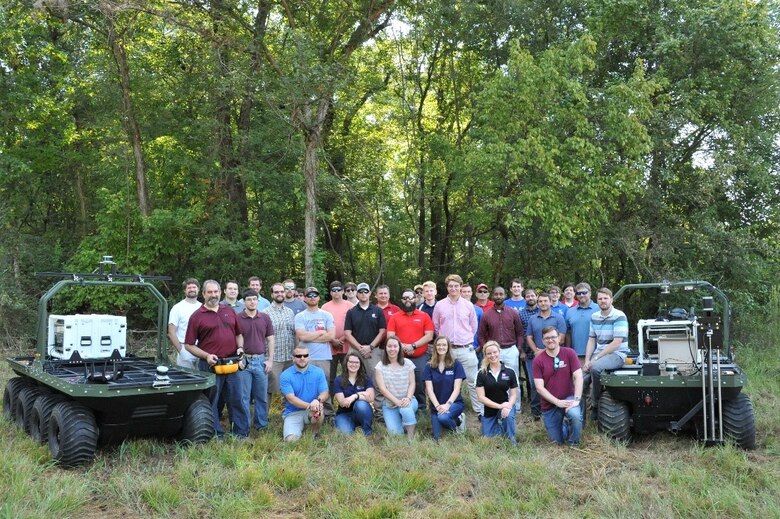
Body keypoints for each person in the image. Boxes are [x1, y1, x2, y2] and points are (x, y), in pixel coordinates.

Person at [184, 280, 248, 439]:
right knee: (211, 401)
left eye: (216, 292)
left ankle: (240, 433)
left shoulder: (230, 311)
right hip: (210, 365)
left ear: (220, 292)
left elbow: (239, 334)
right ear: (203, 294)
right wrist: (206, 356)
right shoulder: (197, 316)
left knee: (237, 399)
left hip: (232, 364)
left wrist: (240, 348)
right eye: (210, 292)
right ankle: (215, 434)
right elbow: (189, 345)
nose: (213, 295)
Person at [432, 274, 482, 415]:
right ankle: (449, 408)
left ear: (460, 287)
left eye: (456, 286)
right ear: (447, 287)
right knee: (448, 381)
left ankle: (479, 411)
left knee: (473, 381)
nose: (453, 288)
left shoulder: (468, 306)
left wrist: (463, 338)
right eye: (450, 286)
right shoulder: (439, 305)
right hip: (447, 351)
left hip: (466, 349)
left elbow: (473, 327)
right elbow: (436, 327)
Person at [583, 288, 629, 420]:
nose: (603, 301)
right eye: (600, 299)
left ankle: (596, 405)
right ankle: (580, 414)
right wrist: (587, 360)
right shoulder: (594, 317)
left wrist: (595, 359)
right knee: (579, 377)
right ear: (596, 300)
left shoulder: (619, 316)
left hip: (617, 354)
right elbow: (591, 340)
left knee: (596, 368)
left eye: (605, 298)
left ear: (611, 300)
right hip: (598, 354)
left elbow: (617, 343)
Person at [533, 326, 583, 446]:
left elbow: (579, 377)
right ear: (542, 341)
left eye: (553, 337)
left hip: (569, 398)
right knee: (557, 441)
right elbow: (539, 388)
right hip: (550, 404)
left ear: (559, 338)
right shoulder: (538, 360)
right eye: (547, 338)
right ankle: (564, 425)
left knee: (575, 416)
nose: (550, 340)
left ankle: (574, 444)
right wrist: (557, 402)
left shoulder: (569, 353)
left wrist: (576, 400)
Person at [477, 285, 524, 412]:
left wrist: (519, 348)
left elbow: (520, 332)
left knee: (513, 380)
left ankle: (515, 407)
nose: (498, 296)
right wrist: (486, 349)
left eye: (501, 294)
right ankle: (493, 406)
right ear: (493, 295)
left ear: (505, 295)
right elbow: (481, 335)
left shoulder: (513, 313)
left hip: (510, 349)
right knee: (491, 380)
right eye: (496, 294)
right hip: (493, 352)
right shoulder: (486, 315)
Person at [387, 288, 434, 409]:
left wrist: (413, 346)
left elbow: (429, 335)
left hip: (419, 356)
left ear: (415, 299)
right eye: (404, 298)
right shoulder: (395, 317)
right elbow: (390, 335)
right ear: (401, 300)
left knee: (419, 383)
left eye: (410, 297)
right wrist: (403, 347)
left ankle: (421, 408)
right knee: (400, 382)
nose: (407, 300)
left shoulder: (424, 316)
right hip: (400, 356)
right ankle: (400, 406)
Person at [525, 292, 567, 420]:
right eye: (541, 301)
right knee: (535, 383)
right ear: (538, 303)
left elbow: (562, 338)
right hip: (536, 356)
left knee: (552, 381)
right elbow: (529, 337)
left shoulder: (558, 318)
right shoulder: (533, 319)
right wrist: (536, 351)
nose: (543, 303)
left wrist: (547, 351)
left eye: (545, 301)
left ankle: (554, 408)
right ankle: (536, 411)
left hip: (554, 355)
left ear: (550, 302)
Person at [237, 288, 274, 431]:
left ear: (258, 301)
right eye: (249, 299)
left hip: (260, 361)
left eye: (254, 299)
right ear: (244, 302)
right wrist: (239, 358)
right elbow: (236, 338)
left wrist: (270, 360)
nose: (252, 302)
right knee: (244, 397)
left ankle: (261, 425)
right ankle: (244, 426)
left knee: (261, 396)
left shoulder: (265, 318)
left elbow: (270, 340)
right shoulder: (238, 318)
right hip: (244, 361)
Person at [294, 286, 335, 416]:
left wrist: (310, 337)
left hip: (323, 357)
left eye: (315, 295)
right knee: (306, 384)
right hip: (305, 357)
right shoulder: (300, 316)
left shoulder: (327, 315)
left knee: (324, 384)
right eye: (309, 295)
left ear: (319, 297)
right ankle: (307, 411)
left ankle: (328, 413)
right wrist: (321, 333)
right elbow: (302, 337)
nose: (312, 298)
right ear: (305, 298)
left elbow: (331, 336)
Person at [279, 345, 329, 441]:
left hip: (312, 410)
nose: (302, 358)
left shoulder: (318, 372)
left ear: (309, 357)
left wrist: (317, 401)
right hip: (293, 412)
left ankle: (314, 433)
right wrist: (310, 405)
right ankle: (298, 428)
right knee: (291, 440)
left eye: (305, 355)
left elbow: (324, 392)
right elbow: (291, 399)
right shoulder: (285, 375)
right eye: (298, 356)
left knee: (318, 412)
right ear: (293, 358)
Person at [423, 336, 467, 440]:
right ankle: (453, 422)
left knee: (443, 417)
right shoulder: (429, 366)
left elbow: (457, 388)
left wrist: (447, 405)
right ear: (435, 347)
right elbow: (429, 389)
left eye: (444, 345)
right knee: (436, 438)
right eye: (438, 345)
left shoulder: (456, 364)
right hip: (436, 407)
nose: (441, 347)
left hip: (454, 403)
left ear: (448, 347)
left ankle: (458, 423)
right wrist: (438, 406)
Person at [373, 336, 417, 437]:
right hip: (390, 405)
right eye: (389, 346)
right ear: (385, 348)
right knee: (396, 435)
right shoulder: (380, 366)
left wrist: (408, 398)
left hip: (409, 400)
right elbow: (382, 389)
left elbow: (412, 383)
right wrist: (397, 402)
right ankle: (402, 422)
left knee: (405, 409)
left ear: (399, 348)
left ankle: (411, 437)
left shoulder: (408, 363)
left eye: (395, 346)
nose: (392, 349)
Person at [476, 341, 518, 445]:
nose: (492, 355)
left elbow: (513, 394)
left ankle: (512, 441)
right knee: (488, 438)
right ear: (485, 355)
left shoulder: (510, 371)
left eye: (495, 352)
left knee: (507, 416)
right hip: (489, 410)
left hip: (505, 406)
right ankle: (500, 428)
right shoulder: (481, 373)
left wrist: (508, 405)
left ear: (499, 352)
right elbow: (481, 397)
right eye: (489, 353)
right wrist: (499, 406)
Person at [344, 282, 386, 380]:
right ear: (357, 294)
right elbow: (347, 333)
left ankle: (376, 395)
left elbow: (382, 331)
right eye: (360, 291)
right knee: (353, 377)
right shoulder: (351, 312)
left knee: (376, 378)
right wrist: (360, 348)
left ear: (370, 293)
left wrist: (370, 347)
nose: (363, 294)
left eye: (365, 291)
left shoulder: (378, 311)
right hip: (355, 350)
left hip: (373, 351)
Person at [263, 283, 297, 401]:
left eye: (282, 291)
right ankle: (263, 417)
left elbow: (294, 334)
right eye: (276, 292)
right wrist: (267, 359)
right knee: (269, 389)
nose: (280, 294)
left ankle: (289, 413)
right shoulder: (265, 313)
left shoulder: (290, 312)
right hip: (274, 358)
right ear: (272, 294)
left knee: (290, 388)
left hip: (289, 357)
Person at [332, 353, 375, 436]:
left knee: (361, 404)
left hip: (362, 411)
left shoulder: (365, 378)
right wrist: (362, 394)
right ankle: (353, 425)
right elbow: (343, 403)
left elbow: (371, 397)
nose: (353, 364)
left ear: (360, 364)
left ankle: (367, 431)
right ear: (346, 363)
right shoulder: (338, 380)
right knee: (347, 434)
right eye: (351, 362)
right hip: (344, 413)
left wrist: (355, 396)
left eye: (356, 362)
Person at [321, 280, 354, 388]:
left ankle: (346, 400)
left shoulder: (350, 305)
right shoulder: (325, 307)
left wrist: (343, 339)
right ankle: (329, 401)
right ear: (330, 293)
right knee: (330, 375)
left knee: (348, 373)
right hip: (330, 345)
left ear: (343, 292)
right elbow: (322, 327)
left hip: (347, 344)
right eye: (333, 290)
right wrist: (333, 340)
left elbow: (354, 325)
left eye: (338, 290)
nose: (336, 292)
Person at [168, 278, 202, 370]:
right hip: (185, 348)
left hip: (202, 349)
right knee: (187, 379)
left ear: (198, 289)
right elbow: (171, 332)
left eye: (194, 287)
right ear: (184, 290)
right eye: (189, 288)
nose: (192, 289)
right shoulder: (177, 308)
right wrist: (181, 351)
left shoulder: (203, 307)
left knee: (203, 380)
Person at [518, 288, 540, 412]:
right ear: (525, 298)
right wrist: (521, 351)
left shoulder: (543, 310)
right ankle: (535, 407)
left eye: (532, 295)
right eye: (528, 296)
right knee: (533, 381)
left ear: (536, 297)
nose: (530, 298)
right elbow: (520, 334)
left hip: (544, 351)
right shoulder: (521, 314)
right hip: (528, 352)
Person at [565, 282, 599, 363]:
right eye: (579, 293)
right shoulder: (570, 312)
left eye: (584, 292)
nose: (581, 295)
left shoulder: (599, 309)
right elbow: (568, 333)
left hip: (596, 355)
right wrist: (568, 352)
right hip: (576, 356)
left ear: (590, 293)